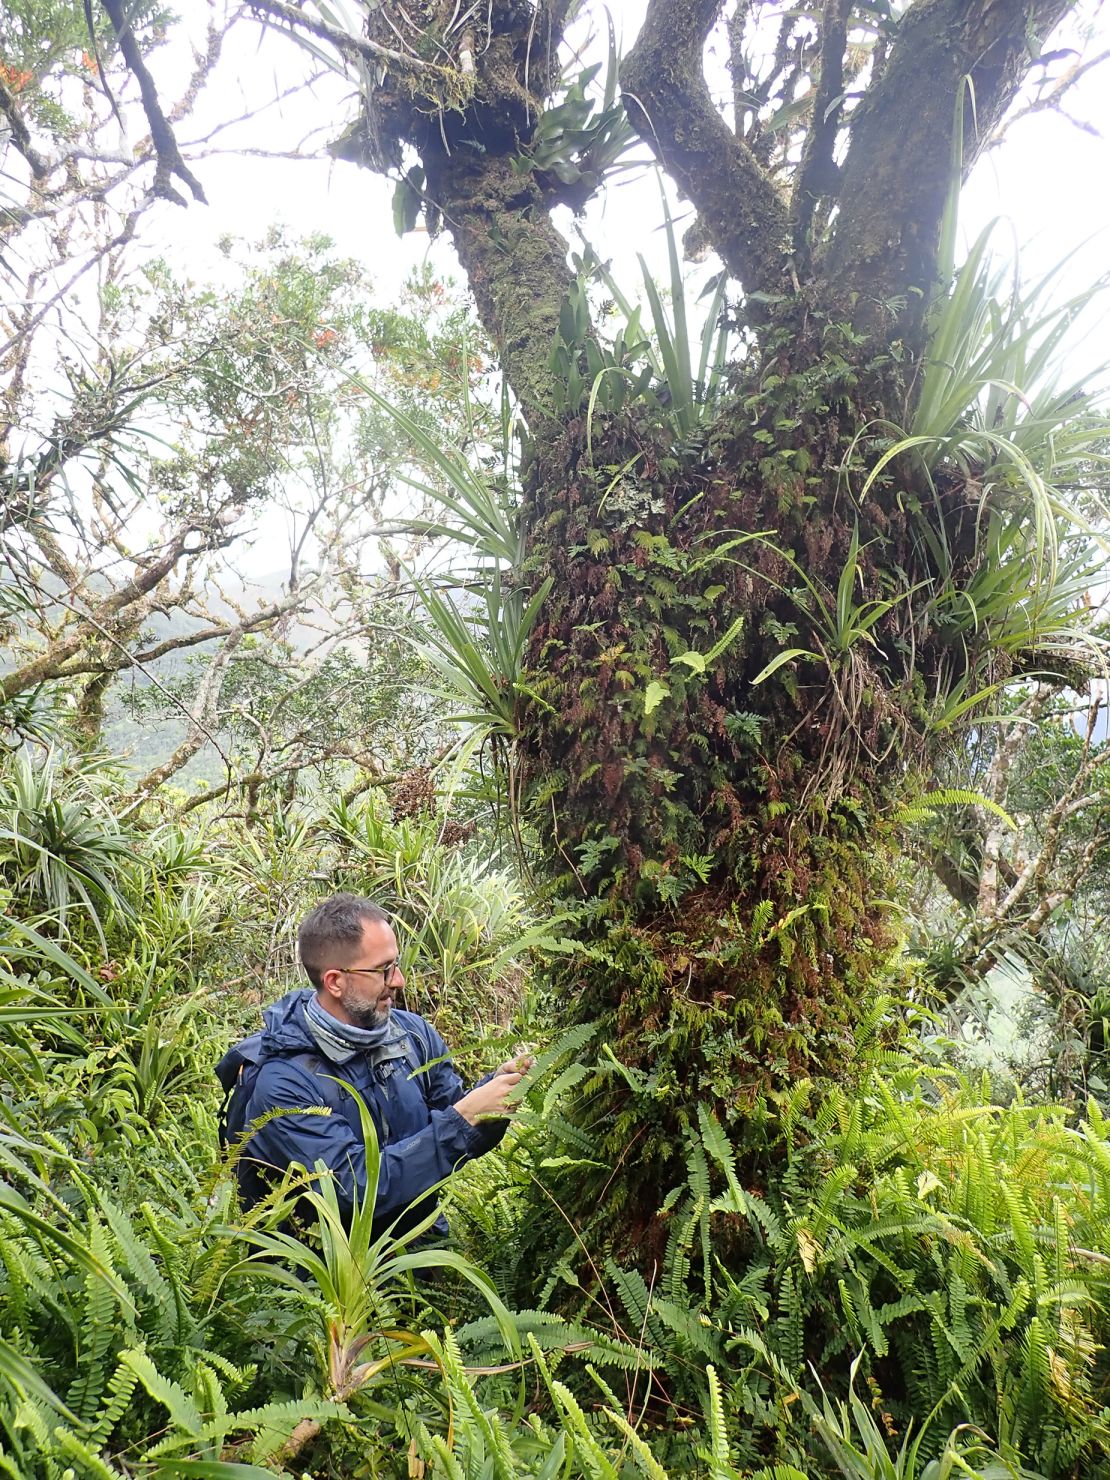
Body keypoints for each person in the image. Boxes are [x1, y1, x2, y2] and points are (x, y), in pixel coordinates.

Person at [227, 893, 530, 1237]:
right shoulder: (284, 1083)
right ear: (335, 982)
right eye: (384, 969)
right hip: (333, 1277)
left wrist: (493, 1099)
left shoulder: (413, 1035)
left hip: (421, 1251)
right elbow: (351, 1189)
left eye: (396, 965)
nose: (398, 980)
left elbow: (454, 1135)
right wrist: (464, 1119)